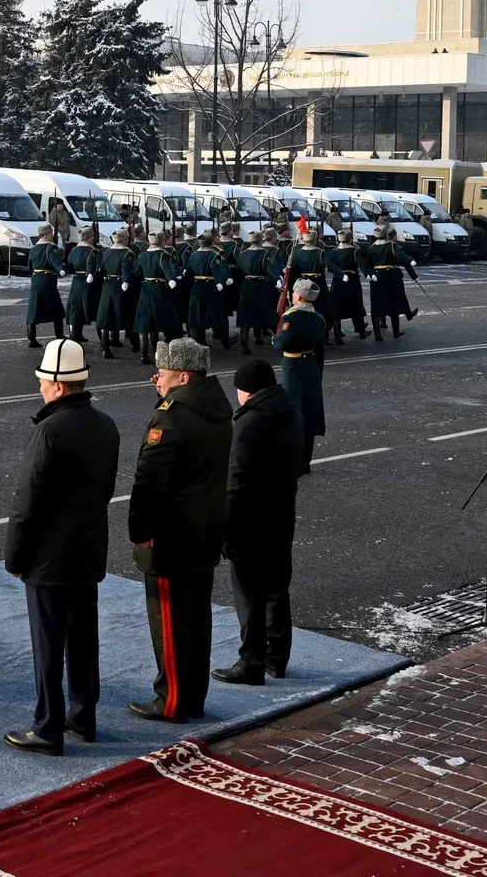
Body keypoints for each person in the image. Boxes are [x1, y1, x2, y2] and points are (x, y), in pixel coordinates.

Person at [1, 338, 120, 754]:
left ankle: (47, 726)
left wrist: (16, 556)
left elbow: (27, 501)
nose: (38, 387)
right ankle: (82, 716)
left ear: (56, 384)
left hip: (49, 556)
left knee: (48, 641)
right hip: (88, 548)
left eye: (41, 381)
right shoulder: (105, 424)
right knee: (83, 638)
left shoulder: (48, 430)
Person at [127, 337, 231, 722]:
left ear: (184, 375)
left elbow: (150, 480)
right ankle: (193, 696)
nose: (157, 378)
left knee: (169, 624)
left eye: (165, 373)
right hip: (204, 534)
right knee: (197, 621)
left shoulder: (170, 416)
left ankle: (171, 700)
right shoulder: (218, 411)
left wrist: (140, 529)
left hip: (170, 538)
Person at [216, 355, 307, 686]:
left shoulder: (248, 423)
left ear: (248, 391)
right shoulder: (291, 414)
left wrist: (226, 529)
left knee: (248, 593)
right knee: (276, 589)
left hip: (250, 521)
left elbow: (235, 483)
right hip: (282, 514)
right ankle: (276, 658)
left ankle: (250, 661)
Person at [274, 278, 328, 469]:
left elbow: (282, 343)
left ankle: (295, 459)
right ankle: (306, 459)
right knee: (310, 412)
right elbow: (320, 349)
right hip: (311, 366)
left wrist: (276, 336)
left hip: (293, 366)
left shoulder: (291, 317)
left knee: (295, 411)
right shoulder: (318, 318)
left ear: (298, 295)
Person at [133, 233, 182, 366]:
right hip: (159, 289)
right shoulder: (162, 254)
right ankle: (166, 351)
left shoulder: (143, 255)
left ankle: (144, 353)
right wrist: (172, 279)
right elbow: (166, 268)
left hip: (145, 289)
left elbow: (137, 272)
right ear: (161, 242)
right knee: (166, 319)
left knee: (145, 320)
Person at [366, 228, 418, 341]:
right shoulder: (391, 246)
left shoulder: (371, 248)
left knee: (376, 305)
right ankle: (396, 332)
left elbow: (367, 264)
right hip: (390, 277)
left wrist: (370, 274)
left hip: (376, 279)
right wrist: (410, 260)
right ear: (385, 235)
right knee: (393, 305)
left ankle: (377, 334)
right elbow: (401, 256)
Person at [233, 230, 279, 354]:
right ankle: (280, 339)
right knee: (267, 312)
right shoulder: (264, 253)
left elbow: (238, 270)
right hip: (260, 285)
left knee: (246, 314)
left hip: (246, 284)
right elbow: (269, 268)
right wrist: (277, 279)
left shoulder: (242, 254)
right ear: (259, 240)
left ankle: (244, 344)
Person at [94, 229, 136, 360]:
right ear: (125, 240)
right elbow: (126, 269)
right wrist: (126, 282)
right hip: (120, 286)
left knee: (106, 317)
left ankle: (105, 347)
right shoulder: (126, 253)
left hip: (107, 286)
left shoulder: (106, 252)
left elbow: (101, 269)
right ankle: (135, 344)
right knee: (128, 315)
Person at [184, 234, 231, 351]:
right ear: (211, 243)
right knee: (215, 313)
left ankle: (198, 341)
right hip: (210, 286)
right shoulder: (214, 255)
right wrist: (220, 282)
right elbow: (216, 269)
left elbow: (189, 271)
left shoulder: (193, 255)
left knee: (197, 313)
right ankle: (225, 341)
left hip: (196, 286)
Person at [64, 228, 100, 346]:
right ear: (88, 238)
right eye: (92, 236)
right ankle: (103, 339)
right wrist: (91, 273)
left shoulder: (74, 250)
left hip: (76, 280)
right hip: (87, 281)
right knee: (91, 308)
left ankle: (75, 334)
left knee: (75, 307)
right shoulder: (91, 251)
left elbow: (69, 265)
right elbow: (91, 263)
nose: (93, 238)